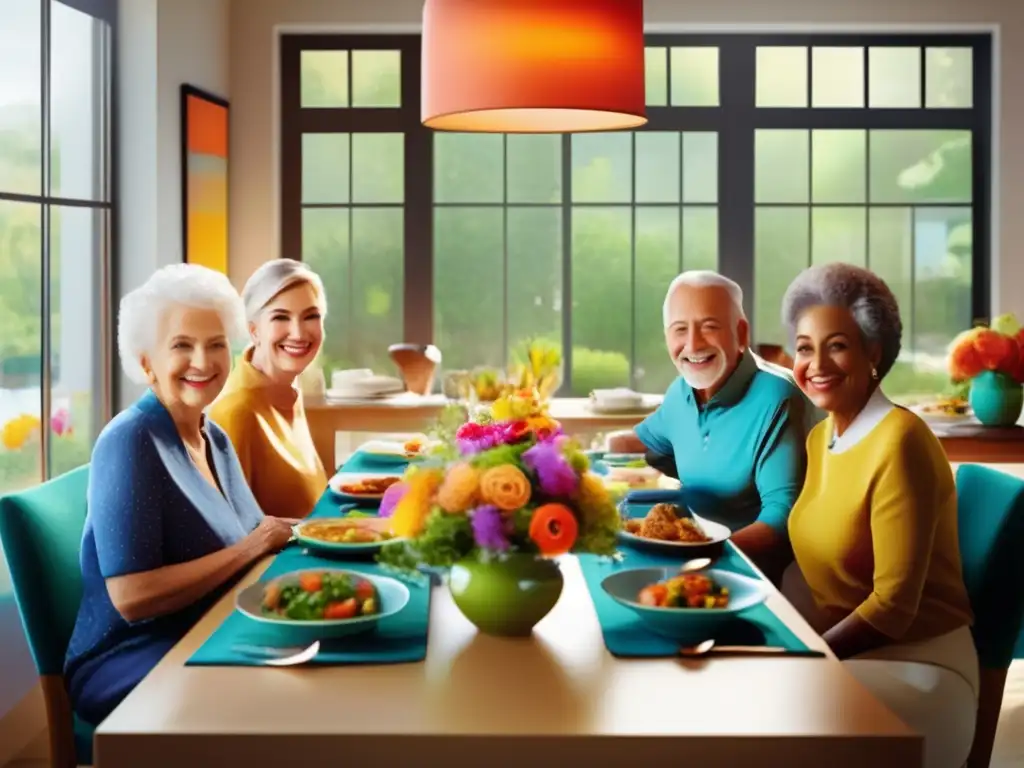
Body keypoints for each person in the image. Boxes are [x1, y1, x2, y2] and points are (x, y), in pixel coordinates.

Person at [64, 264, 298, 727]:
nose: (203, 362)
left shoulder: (213, 437)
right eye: (181, 346)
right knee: (285, 702)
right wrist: (254, 546)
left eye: (215, 345)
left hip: (213, 627)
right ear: (146, 361)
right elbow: (132, 596)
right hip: (132, 658)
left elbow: (257, 537)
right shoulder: (130, 440)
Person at [780, 262, 977, 768]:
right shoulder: (823, 437)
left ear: (874, 352)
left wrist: (809, 656)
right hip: (856, 657)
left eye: (838, 344)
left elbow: (892, 606)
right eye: (804, 347)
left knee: (760, 708)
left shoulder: (902, 441)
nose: (816, 362)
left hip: (919, 671)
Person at [608, 271, 814, 561]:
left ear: (741, 334)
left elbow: (782, 518)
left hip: (749, 573)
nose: (692, 345)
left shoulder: (778, 397)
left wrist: (702, 553)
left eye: (709, 327)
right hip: (684, 550)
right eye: (680, 330)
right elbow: (636, 442)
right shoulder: (681, 391)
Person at [209, 259, 329, 518]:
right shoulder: (235, 412)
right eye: (281, 317)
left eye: (311, 316)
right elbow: (229, 533)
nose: (298, 333)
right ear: (254, 330)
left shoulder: (287, 388)